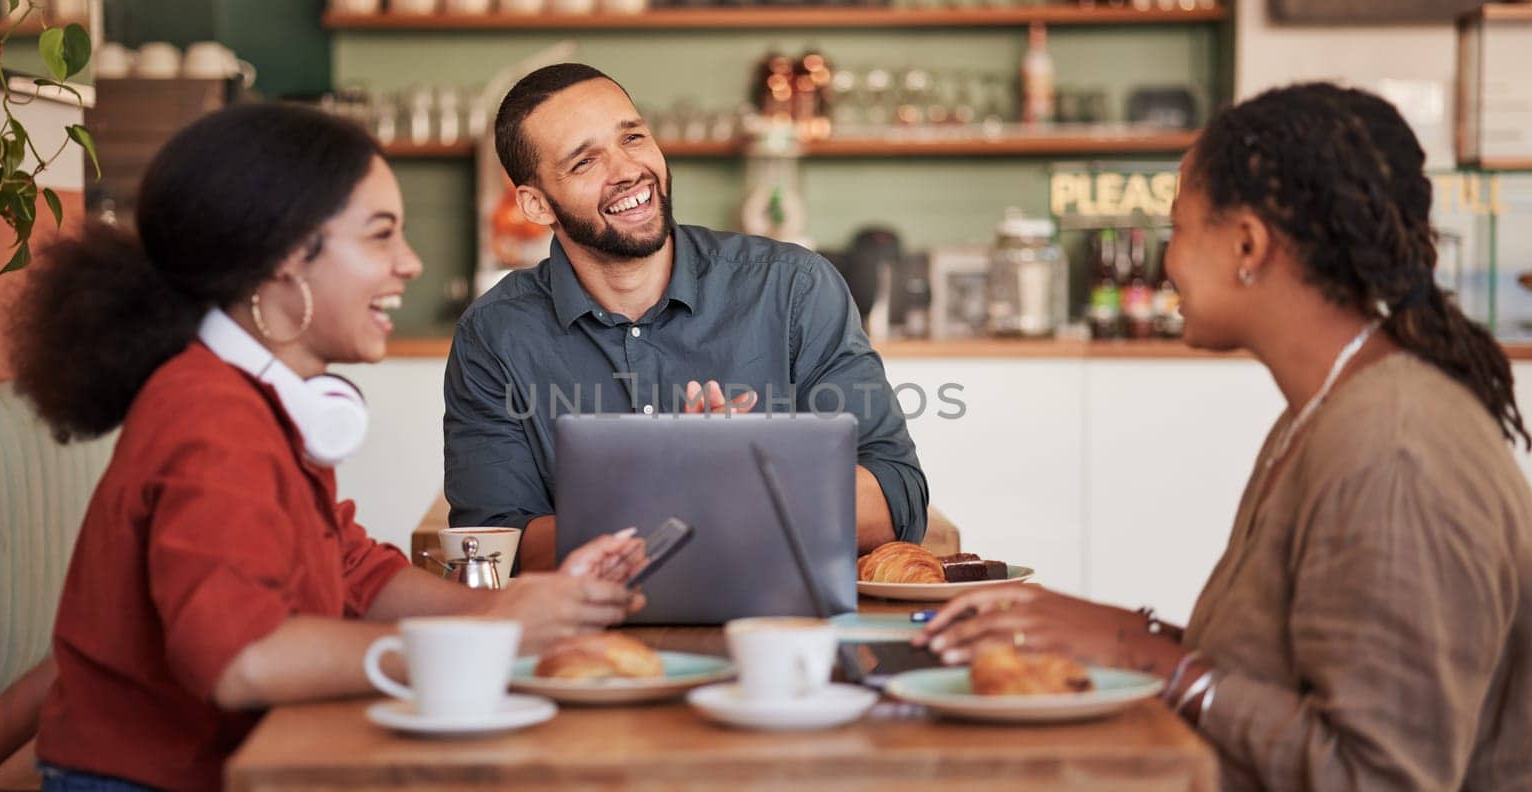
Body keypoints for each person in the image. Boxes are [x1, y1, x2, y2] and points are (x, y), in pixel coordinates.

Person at [9, 103, 645, 792]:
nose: (410, 263)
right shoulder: (210, 416)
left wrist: (528, 604)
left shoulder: (260, 400)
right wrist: (488, 639)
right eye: (380, 236)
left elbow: (355, 574)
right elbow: (240, 660)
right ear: (285, 258)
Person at [915, 83, 1532, 791]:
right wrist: (1132, 635)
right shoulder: (1328, 410)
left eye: (1177, 230)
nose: (1166, 264)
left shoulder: (1394, 452)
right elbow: (1291, 679)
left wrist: (1158, 663)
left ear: (1247, 244)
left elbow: (1377, 775)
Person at [444, 63, 928, 571]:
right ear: (537, 204)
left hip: (774, 622)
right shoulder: (494, 335)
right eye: (585, 162)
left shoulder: (794, 287)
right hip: (594, 632)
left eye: (632, 137)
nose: (627, 170)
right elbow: (495, 546)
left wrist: (746, 479)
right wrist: (669, 497)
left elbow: (898, 497)